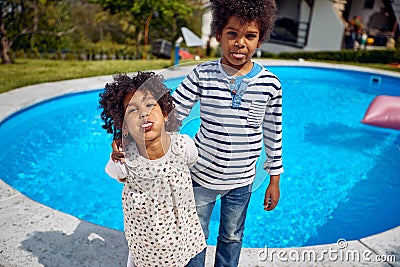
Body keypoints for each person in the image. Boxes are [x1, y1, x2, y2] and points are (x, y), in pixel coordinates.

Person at [113, 0, 283, 265]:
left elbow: (274, 132)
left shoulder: (270, 84)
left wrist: (274, 177)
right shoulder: (203, 74)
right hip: (201, 175)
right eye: (232, 34)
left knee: (232, 235)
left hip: (242, 180)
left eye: (250, 36)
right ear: (218, 35)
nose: (240, 42)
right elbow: (172, 112)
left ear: (260, 39)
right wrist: (134, 139)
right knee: (194, 234)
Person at [99, 72, 206, 267]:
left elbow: (192, 159)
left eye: (150, 105)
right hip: (147, 244)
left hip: (183, 235)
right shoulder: (125, 158)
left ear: (165, 113)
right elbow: (112, 172)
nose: (143, 113)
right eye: (132, 110)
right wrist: (117, 153)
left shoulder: (183, 145)